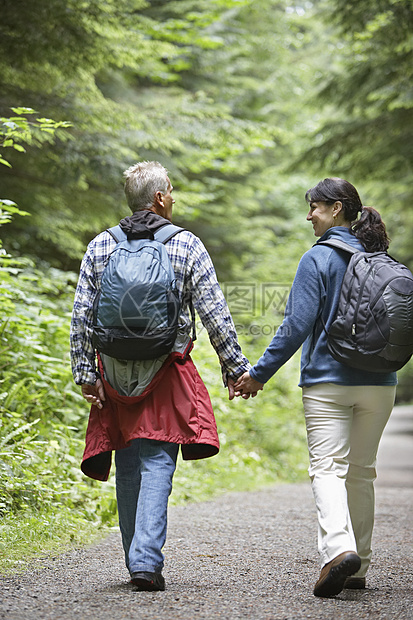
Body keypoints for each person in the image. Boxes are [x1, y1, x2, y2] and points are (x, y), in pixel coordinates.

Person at [70, 161, 250, 591]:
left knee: (128, 458)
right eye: (170, 190)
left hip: (112, 371)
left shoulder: (100, 246)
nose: (173, 196)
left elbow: (81, 315)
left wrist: (84, 373)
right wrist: (235, 368)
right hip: (165, 368)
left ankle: (137, 557)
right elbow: (214, 312)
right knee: (156, 460)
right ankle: (145, 561)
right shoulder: (185, 245)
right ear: (158, 199)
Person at [234, 177, 397, 598]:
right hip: (380, 382)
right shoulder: (380, 258)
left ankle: (339, 550)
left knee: (327, 468)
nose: (309, 216)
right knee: (361, 473)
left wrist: (259, 373)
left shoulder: (319, 258)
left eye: (315, 208)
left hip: (328, 382)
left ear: (337, 208)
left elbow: (295, 326)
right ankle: (359, 563)